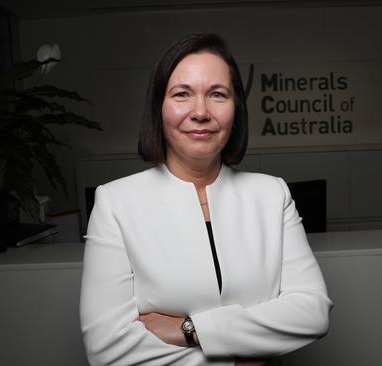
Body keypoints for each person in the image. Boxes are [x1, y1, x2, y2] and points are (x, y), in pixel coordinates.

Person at [80, 33, 332, 366]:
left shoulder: (273, 195)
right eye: (182, 94)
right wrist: (239, 360)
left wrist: (189, 329)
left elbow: (312, 313)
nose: (200, 112)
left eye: (217, 94)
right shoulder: (115, 203)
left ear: (235, 110)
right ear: (158, 108)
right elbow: (107, 349)